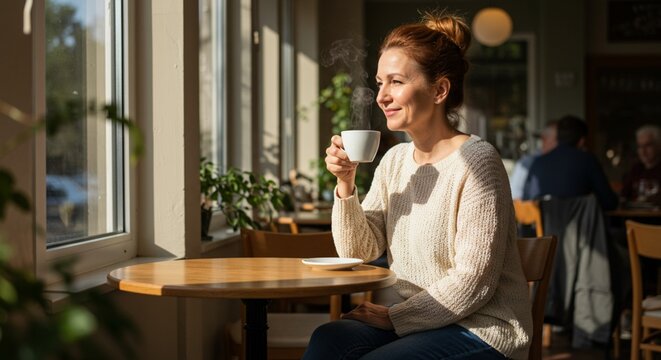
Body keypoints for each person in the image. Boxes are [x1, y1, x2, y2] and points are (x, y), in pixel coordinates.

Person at [303, 10, 532, 360]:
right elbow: (360, 251)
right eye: (380, 83)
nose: (382, 96)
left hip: (482, 327)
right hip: (420, 322)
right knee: (329, 340)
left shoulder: (478, 162)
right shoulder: (394, 161)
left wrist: (395, 317)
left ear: (439, 90)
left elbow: (474, 282)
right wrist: (345, 185)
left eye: (396, 81)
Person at [522, 115, 619, 210]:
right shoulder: (587, 160)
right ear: (582, 141)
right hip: (579, 225)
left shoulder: (538, 162)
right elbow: (609, 202)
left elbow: (526, 201)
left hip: (543, 226)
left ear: (558, 137)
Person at [510, 120, 558, 199]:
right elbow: (515, 196)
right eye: (558, 140)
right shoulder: (526, 163)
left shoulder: (563, 163)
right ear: (544, 139)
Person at [621, 124, 661, 206]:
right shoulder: (636, 169)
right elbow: (624, 196)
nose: (643, 151)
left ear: (659, 146)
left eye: (648, 146)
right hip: (635, 216)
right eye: (640, 146)